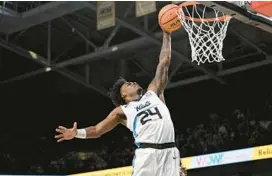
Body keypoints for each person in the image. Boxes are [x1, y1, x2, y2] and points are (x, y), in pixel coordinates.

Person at [55, 31, 180, 176]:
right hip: (148, 155)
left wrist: (166, 35)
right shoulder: (122, 111)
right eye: (128, 84)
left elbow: (164, 62)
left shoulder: (154, 92)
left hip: (170, 152)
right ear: (124, 95)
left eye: (131, 82)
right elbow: (97, 130)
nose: (133, 82)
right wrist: (77, 133)